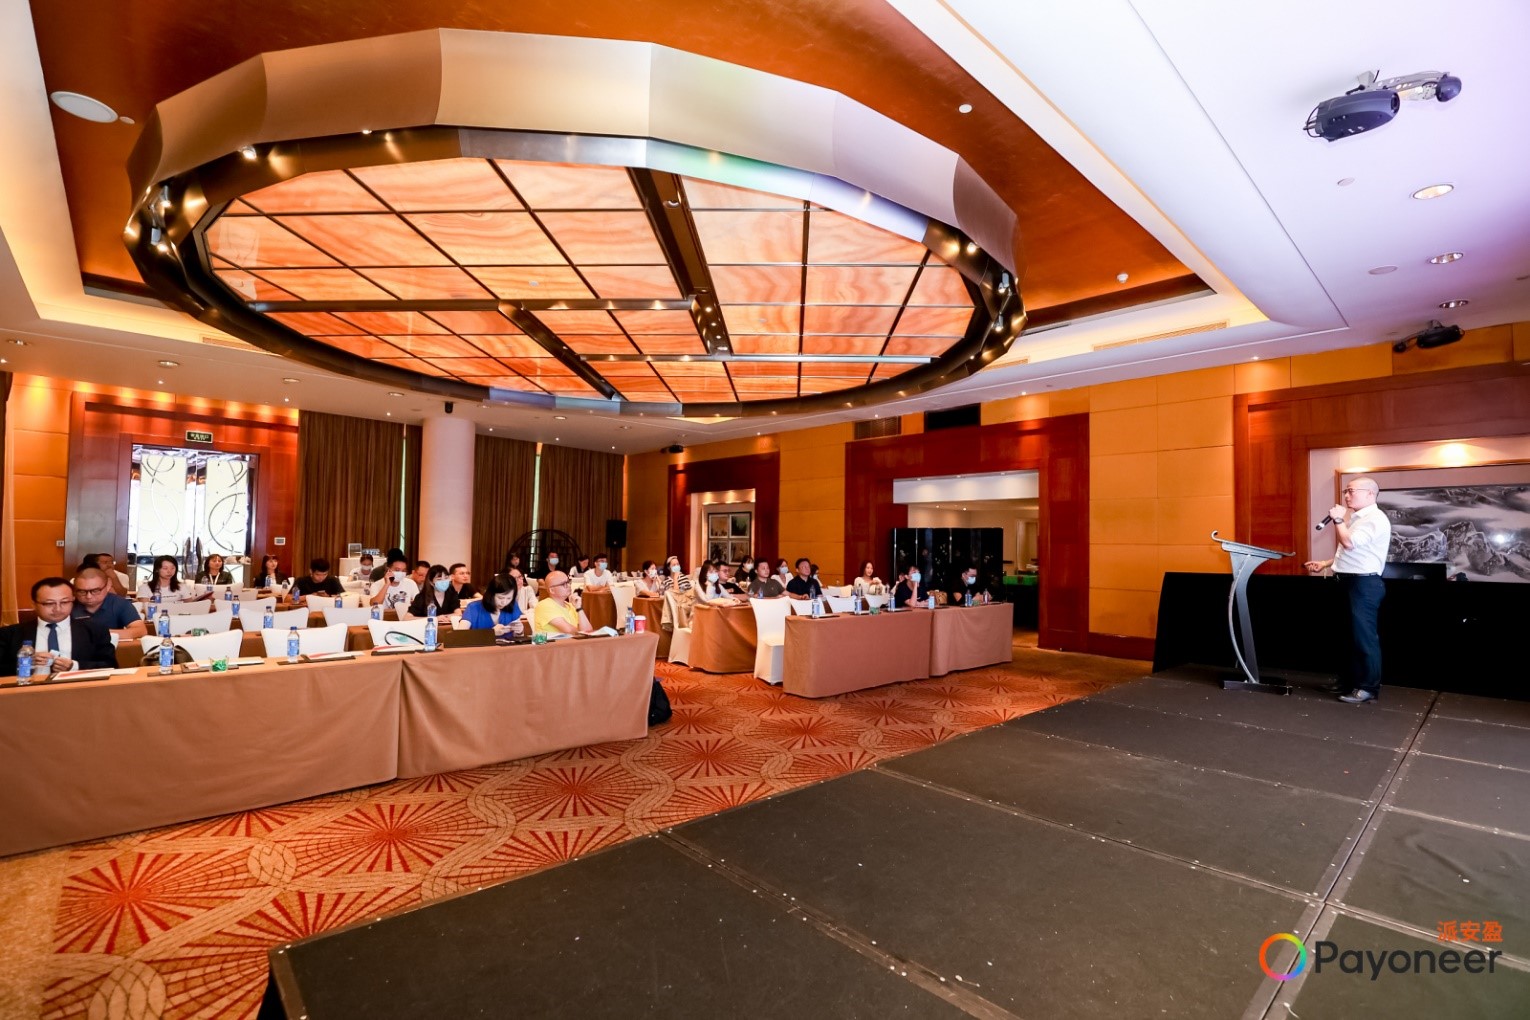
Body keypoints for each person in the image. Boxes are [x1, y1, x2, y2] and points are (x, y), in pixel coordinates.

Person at [1304, 476, 1393, 704]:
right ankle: (1348, 682)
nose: (1346, 496)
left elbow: (1349, 543)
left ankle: (1368, 688)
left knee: (1364, 638)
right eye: (1346, 491)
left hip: (1364, 585)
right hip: (1346, 581)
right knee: (1347, 636)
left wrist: (1337, 520)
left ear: (1370, 494)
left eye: (1351, 491)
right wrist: (1325, 564)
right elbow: (1353, 553)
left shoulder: (1375, 519)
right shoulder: (1356, 518)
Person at [1, 577, 117, 677]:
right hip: (27, 692)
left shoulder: (94, 630)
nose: (57, 609)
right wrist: (25, 663)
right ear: (34, 605)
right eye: (49, 603)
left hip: (78, 692)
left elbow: (111, 666)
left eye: (65, 602)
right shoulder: (10, 634)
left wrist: (74, 666)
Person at [72, 567, 147, 643]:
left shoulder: (119, 603)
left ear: (108, 585)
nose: (89, 596)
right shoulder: (69, 603)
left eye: (95, 590)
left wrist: (99, 633)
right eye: (82, 592)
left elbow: (140, 630)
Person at [533, 570, 593, 635]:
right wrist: (582, 631)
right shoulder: (544, 605)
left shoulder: (572, 605)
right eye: (563, 584)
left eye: (568, 582)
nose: (569, 585)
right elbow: (568, 630)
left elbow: (588, 631)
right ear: (552, 590)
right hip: (552, 641)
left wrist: (579, 608)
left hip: (572, 641)